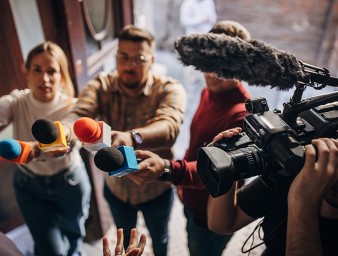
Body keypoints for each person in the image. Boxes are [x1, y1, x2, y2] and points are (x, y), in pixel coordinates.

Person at [128, 21, 252, 256]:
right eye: (210, 62)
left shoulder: (241, 114)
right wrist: (184, 180)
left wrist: (169, 170)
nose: (214, 73)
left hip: (212, 215)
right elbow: (199, 145)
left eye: (225, 65)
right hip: (192, 197)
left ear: (241, 65)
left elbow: (219, 169)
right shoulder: (211, 91)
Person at [62, 25, 186, 256]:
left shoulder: (170, 89)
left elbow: (170, 127)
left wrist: (132, 137)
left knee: (160, 237)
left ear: (152, 59)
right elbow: (79, 112)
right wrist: (65, 132)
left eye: (138, 58)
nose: (129, 65)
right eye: (123, 57)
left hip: (155, 189)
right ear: (116, 56)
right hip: (117, 190)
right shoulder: (102, 84)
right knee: (125, 239)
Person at [0, 41, 92, 256]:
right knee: (52, 251)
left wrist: (37, 149)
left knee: (74, 238)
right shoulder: (17, 101)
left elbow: (73, 137)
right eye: (37, 70)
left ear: (62, 75)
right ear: (27, 73)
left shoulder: (73, 106)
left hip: (70, 182)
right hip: (29, 184)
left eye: (52, 71)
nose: (44, 78)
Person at [207, 129, 338, 256]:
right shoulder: (293, 174)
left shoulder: (303, 186)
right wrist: (227, 166)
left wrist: (302, 202)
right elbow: (222, 224)